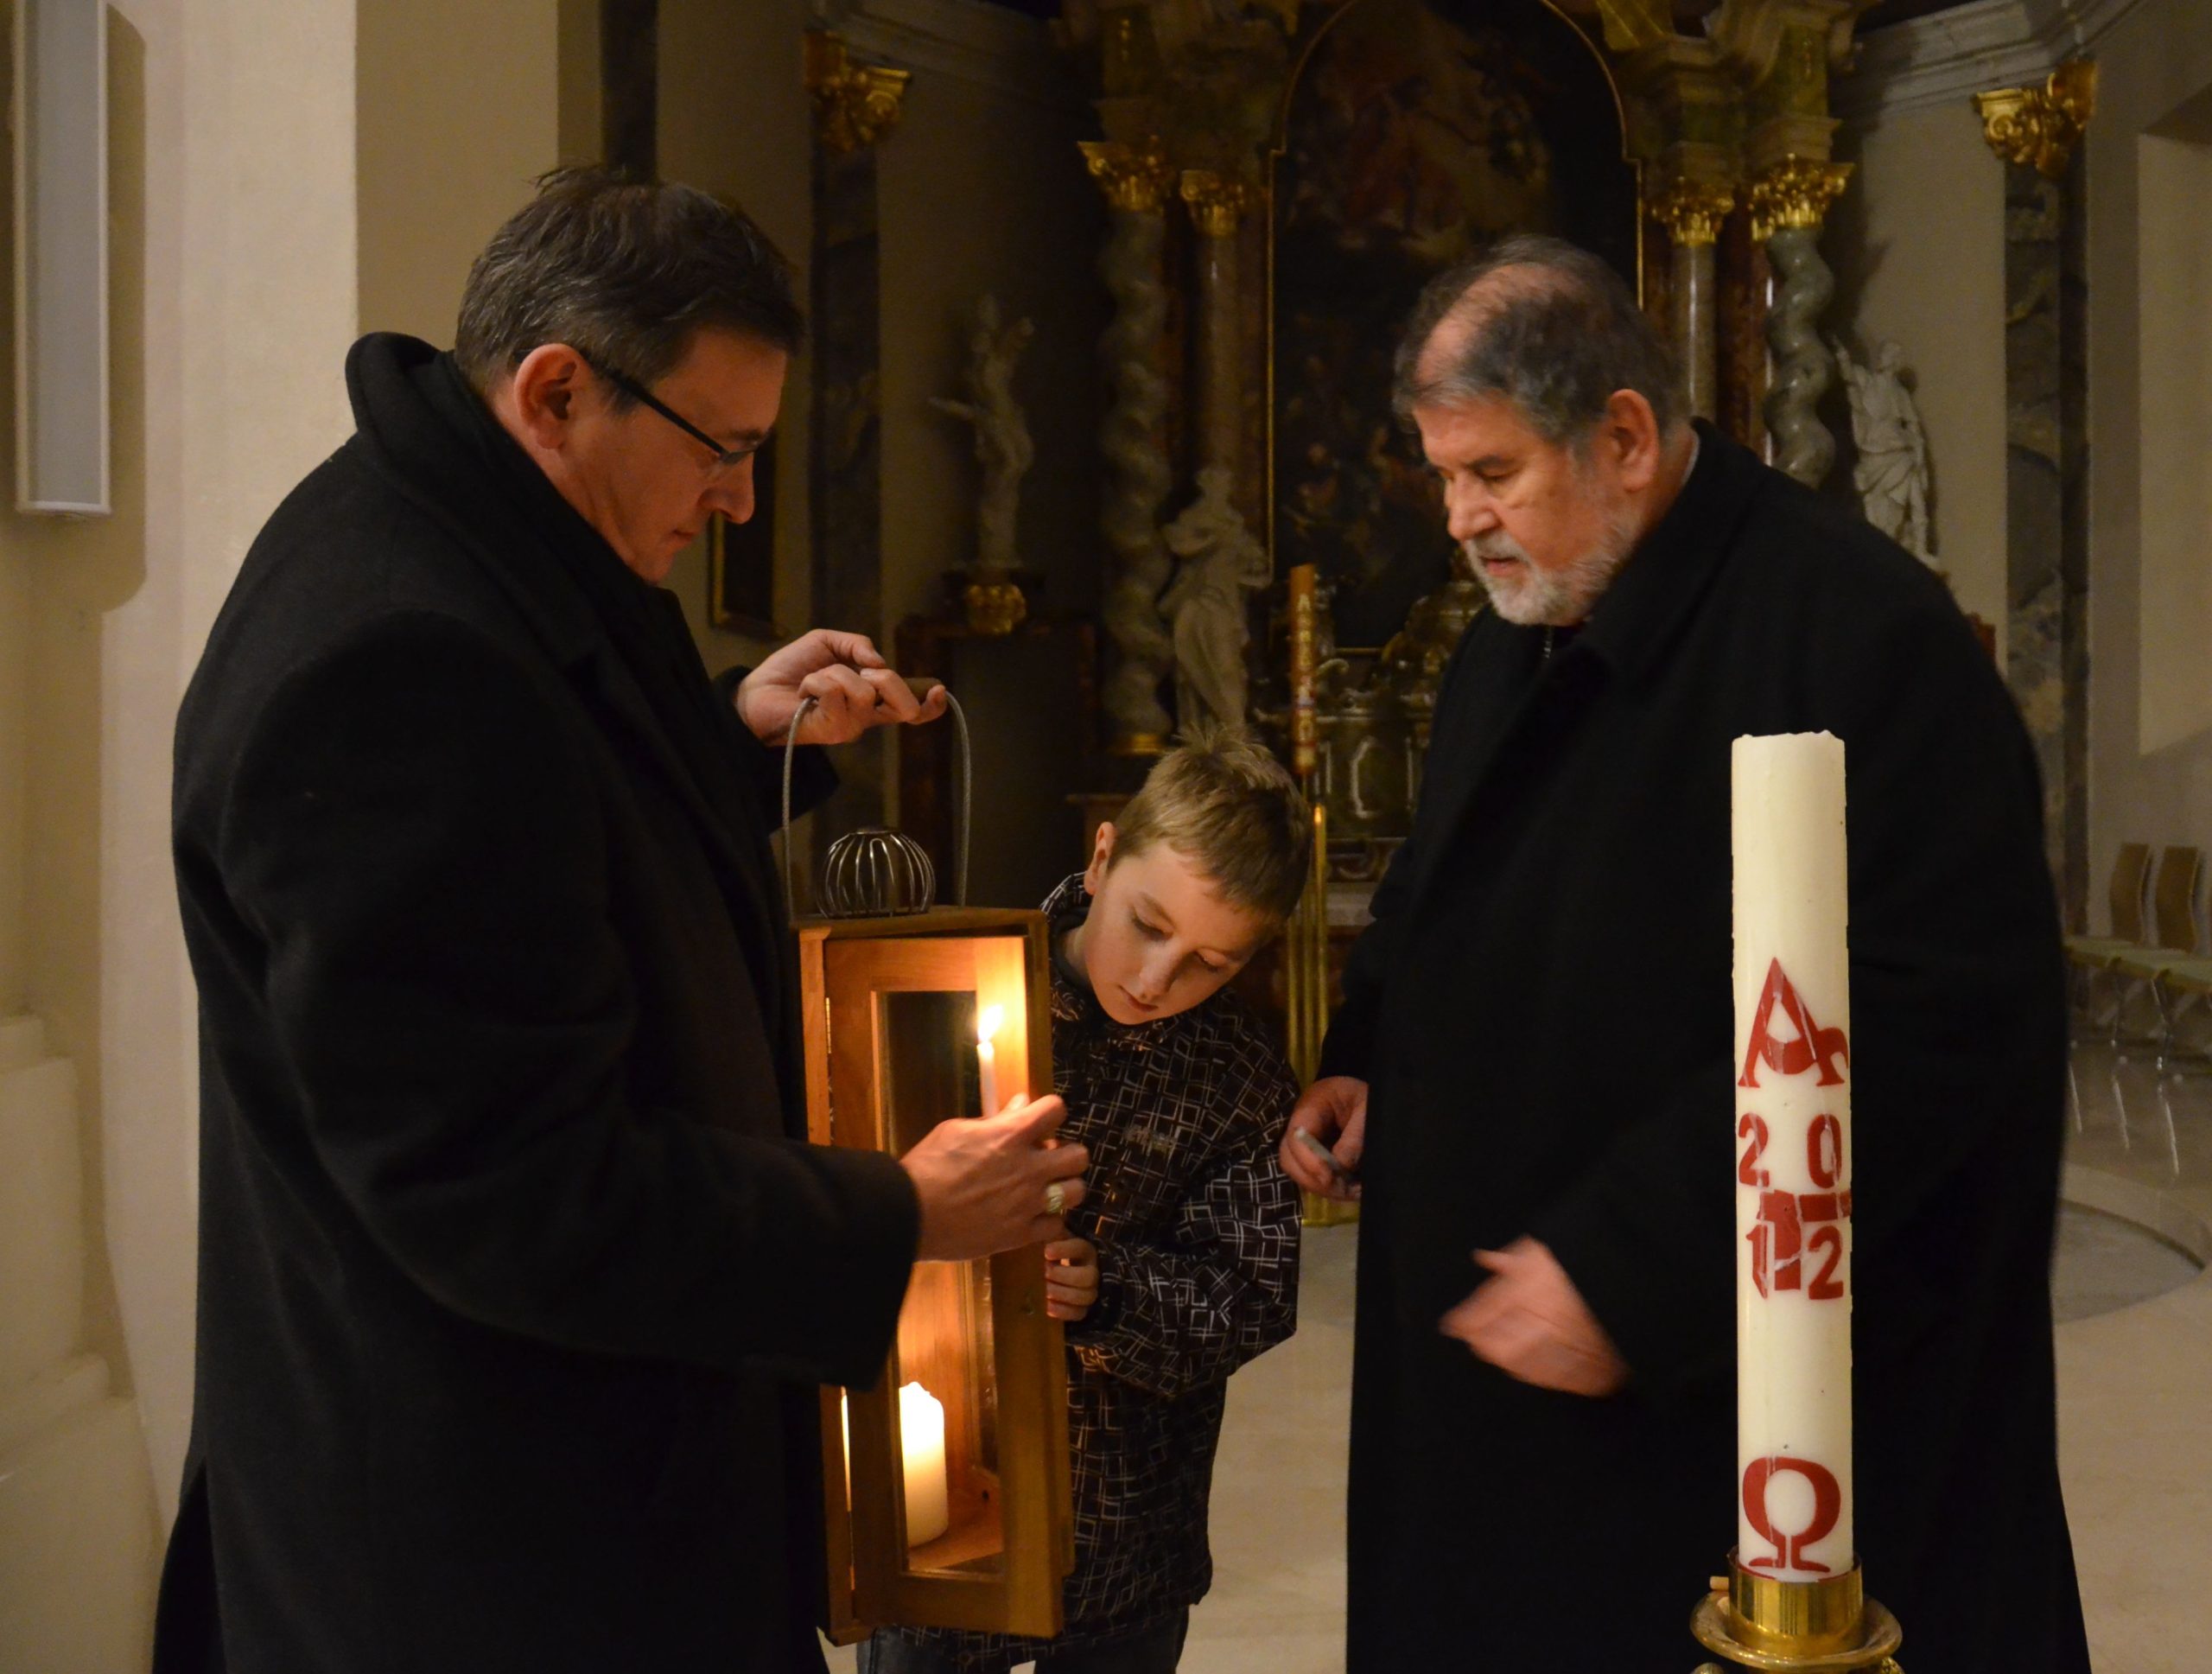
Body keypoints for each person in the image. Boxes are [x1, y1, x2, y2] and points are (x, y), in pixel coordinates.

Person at [155, 169, 1088, 1674]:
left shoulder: (464, 537)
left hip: (559, 1494)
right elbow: (512, 1191)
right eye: (725, 447)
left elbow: (527, 852)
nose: (737, 500)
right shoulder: (400, 661)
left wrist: (729, 739)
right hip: (494, 1556)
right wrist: (898, 1213)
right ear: (557, 390)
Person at [1278, 234, 2089, 1671]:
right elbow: (1439, 873)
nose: (1459, 518)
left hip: (1703, 1398)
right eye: (1444, 475)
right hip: (1508, 1378)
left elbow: (1944, 1023)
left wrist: (1630, 1261)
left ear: (1626, 437)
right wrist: (1368, 1053)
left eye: (1492, 471)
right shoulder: (1517, 622)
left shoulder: (1859, 634)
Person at [865, 728, 1309, 1674]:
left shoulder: (1239, 1075)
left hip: (1126, 1529)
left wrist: (1112, 1288)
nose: (1155, 981)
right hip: (944, 1504)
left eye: (1211, 962)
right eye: (1148, 925)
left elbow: (1252, 1292)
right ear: (1103, 856)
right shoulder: (935, 990)